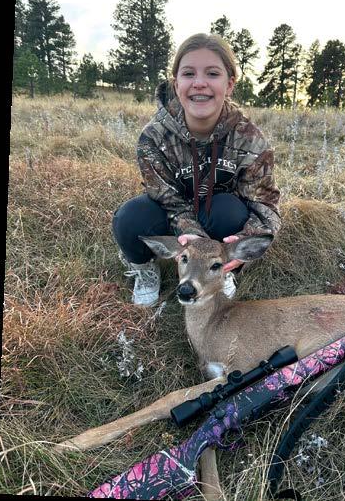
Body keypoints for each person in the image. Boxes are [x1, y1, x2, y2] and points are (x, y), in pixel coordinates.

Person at [112, 33, 281, 305]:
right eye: (189, 73)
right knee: (130, 217)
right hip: (174, 217)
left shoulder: (250, 139)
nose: (199, 83)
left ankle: (219, 269)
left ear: (229, 84)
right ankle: (145, 270)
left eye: (212, 73)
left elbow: (265, 204)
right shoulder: (153, 138)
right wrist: (189, 234)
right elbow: (167, 200)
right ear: (176, 82)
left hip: (219, 220)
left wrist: (241, 242)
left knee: (231, 210)